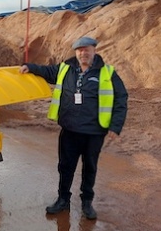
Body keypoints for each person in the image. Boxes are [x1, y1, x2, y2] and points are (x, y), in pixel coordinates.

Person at [19, 36, 128, 220]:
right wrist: (30, 67)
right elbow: (46, 71)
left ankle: (87, 202)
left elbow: (121, 98)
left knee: (89, 168)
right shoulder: (65, 68)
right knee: (65, 167)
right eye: (79, 50)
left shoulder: (107, 73)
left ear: (94, 50)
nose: (83, 53)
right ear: (75, 52)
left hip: (94, 132)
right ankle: (63, 200)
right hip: (69, 129)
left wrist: (115, 126)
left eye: (87, 49)